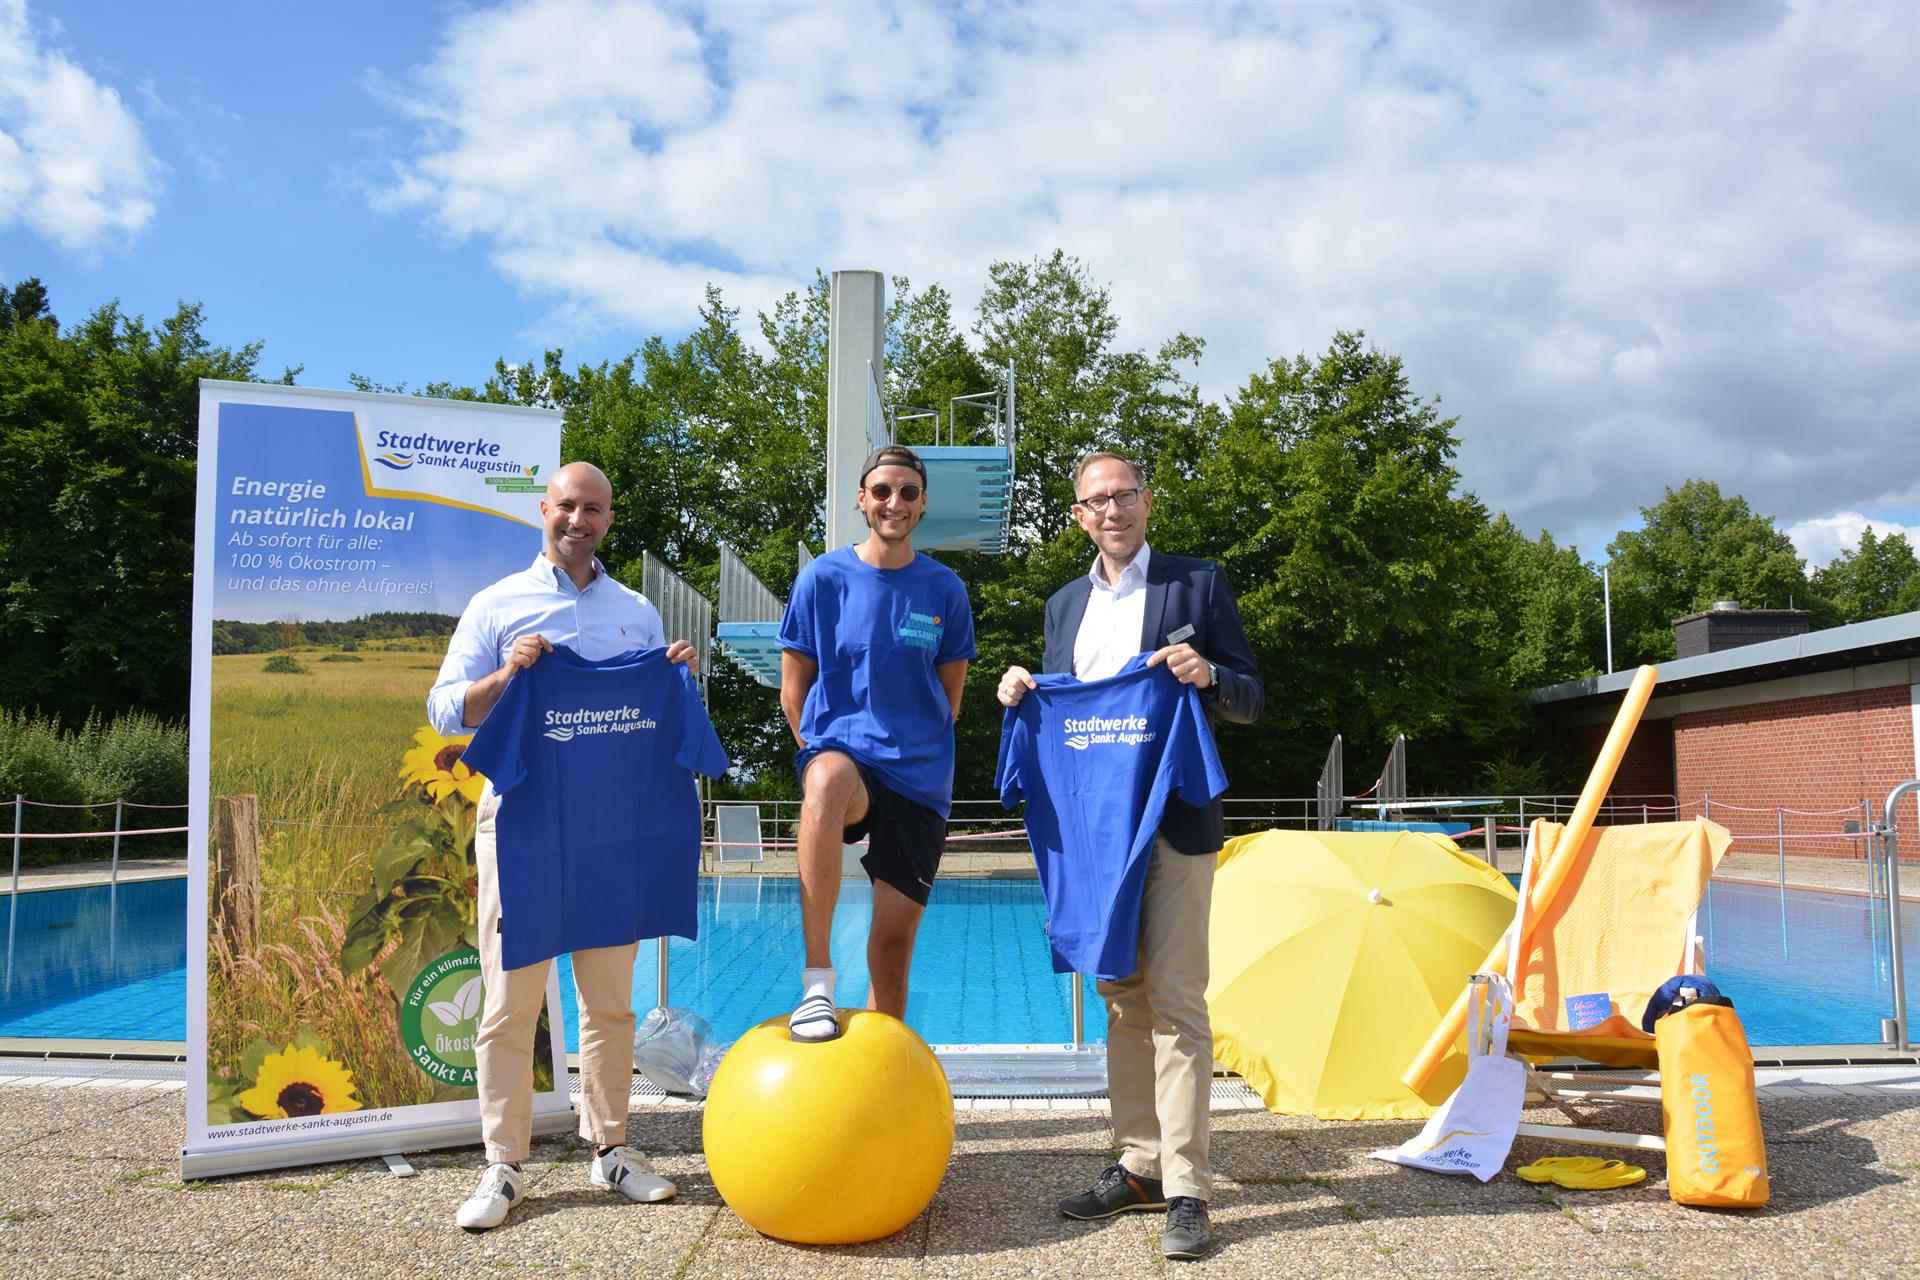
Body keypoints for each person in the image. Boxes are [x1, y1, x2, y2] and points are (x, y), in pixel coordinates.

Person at [996, 450, 1263, 1262]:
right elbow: (1067, 715)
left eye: (1124, 495)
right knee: (1121, 1000)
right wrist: (1021, 689)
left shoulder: (1197, 584)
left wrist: (1208, 672)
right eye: (1095, 500)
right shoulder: (1063, 604)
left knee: (1178, 1003)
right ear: (1077, 515)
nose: (1111, 509)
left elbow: (1253, 696)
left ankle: (1188, 1188)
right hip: (1095, 840)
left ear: (1147, 503)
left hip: (1176, 824)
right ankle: (1139, 1163)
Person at [426, 461, 700, 1232]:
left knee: (609, 1002)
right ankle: (502, 1166)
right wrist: (507, 678)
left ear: (610, 520)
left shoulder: (637, 612)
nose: (579, 520)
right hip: (522, 825)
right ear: (544, 509)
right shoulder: (496, 605)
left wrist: (678, 675)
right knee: (511, 1004)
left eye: (594, 509)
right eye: (567, 506)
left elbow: (655, 725)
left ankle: (612, 1147)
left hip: (613, 829)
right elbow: (446, 708)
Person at [778, 444, 974, 1042]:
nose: (895, 502)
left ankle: (881, 1081)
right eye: (882, 490)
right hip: (848, 758)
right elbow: (794, 692)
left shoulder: (944, 590)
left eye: (908, 492)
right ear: (862, 499)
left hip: (918, 778)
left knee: (891, 957)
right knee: (827, 778)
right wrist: (819, 759)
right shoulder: (823, 579)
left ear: (922, 505)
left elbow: (951, 700)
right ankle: (817, 985)